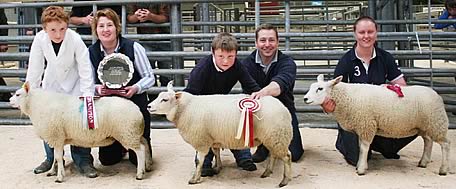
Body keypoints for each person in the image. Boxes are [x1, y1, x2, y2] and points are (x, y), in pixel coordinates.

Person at [322, 16, 418, 166]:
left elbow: (402, 86)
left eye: (370, 32)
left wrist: (390, 89)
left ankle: (379, 144)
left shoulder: (385, 58)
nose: (366, 36)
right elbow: (334, 95)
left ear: (376, 33)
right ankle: (344, 141)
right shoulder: (345, 61)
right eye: (361, 32)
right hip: (354, 121)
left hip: (379, 117)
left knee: (410, 127)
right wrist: (327, 108)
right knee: (356, 158)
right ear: (355, 34)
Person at [26, 6, 97, 178]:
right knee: (49, 123)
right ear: (45, 28)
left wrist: (87, 92)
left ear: (67, 26)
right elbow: (35, 67)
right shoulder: (40, 39)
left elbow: (85, 67)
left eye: (62, 29)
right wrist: (30, 92)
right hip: (52, 86)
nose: (58, 34)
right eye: (53, 30)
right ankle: (51, 158)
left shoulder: (75, 39)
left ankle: (83, 160)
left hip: (75, 85)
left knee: (78, 123)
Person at [183, 32, 260, 177]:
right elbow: (190, 95)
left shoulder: (237, 65)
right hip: (202, 109)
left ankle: (243, 156)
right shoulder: (202, 69)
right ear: (213, 53)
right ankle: (204, 162)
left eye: (230, 56)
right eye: (221, 56)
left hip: (223, 105)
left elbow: (252, 87)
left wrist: (261, 96)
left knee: (234, 124)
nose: (226, 61)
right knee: (205, 135)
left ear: (236, 54)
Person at [88, 8, 154, 166]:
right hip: (109, 112)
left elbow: (149, 77)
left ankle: (138, 144)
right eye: (101, 26)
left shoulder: (134, 48)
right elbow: (87, 82)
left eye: (109, 25)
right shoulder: (90, 52)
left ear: (117, 27)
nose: (105, 30)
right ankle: (119, 145)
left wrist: (135, 88)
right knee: (107, 161)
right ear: (95, 30)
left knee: (140, 162)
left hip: (134, 105)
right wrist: (97, 89)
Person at [242, 23, 304, 163]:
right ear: (256, 43)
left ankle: (269, 144)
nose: (267, 44)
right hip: (257, 114)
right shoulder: (246, 64)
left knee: (294, 154)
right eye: (263, 40)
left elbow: (278, 85)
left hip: (283, 113)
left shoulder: (287, 63)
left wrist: (262, 93)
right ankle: (264, 145)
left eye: (271, 40)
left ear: (278, 42)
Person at [127, 3, 172, 87]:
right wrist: (136, 16)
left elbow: (165, 17)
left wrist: (150, 16)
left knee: (166, 72)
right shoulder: (134, 2)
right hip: (146, 40)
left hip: (164, 39)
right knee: (148, 71)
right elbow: (129, 18)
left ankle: (166, 95)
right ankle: (153, 96)